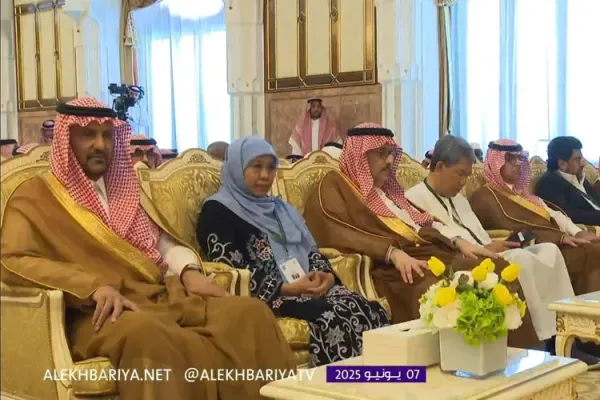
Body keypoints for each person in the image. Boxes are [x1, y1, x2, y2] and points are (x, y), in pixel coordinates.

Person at [1, 98, 296, 400]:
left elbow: (161, 242)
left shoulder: (123, 186)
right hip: (97, 312)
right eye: (88, 134)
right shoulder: (35, 197)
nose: (100, 144)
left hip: (159, 296)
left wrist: (189, 271)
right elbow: (12, 260)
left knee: (250, 314)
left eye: (107, 135)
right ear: (66, 139)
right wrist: (90, 287)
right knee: (151, 337)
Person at [302, 123, 539, 348]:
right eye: (381, 153)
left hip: (429, 252)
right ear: (360, 155)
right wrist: (391, 253)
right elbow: (335, 230)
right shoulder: (335, 184)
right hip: (391, 268)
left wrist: (457, 242)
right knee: (444, 286)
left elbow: (421, 223)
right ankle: (458, 365)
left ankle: (515, 358)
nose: (389, 161)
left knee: (497, 268)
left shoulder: (388, 190)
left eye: (390, 153)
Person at [196, 137, 390, 367]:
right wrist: (286, 288)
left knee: (367, 308)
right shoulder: (217, 212)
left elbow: (310, 250)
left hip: (307, 287)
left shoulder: (279, 209)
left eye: (271, 167)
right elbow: (230, 270)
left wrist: (325, 277)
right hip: (269, 297)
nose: (265, 175)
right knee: (333, 316)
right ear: (237, 168)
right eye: (256, 166)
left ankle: (382, 381)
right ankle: (336, 384)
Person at [406, 135, 576, 352]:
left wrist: (497, 242)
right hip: (465, 258)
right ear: (439, 167)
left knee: (549, 250)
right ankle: (543, 341)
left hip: (488, 251)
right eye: (460, 174)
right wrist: (483, 247)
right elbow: (435, 236)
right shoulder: (414, 198)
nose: (463, 182)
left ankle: (565, 332)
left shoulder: (458, 198)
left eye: (467, 176)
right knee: (521, 260)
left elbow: (479, 234)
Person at [470, 139, 600, 296]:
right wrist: (558, 238)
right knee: (593, 251)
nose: (518, 163)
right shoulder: (484, 198)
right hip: (535, 249)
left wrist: (577, 232)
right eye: (510, 159)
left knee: (594, 245)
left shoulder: (524, 193)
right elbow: (510, 232)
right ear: (495, 163)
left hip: (556, 241)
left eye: (519, 158)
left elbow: (555, 214)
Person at [534, 136, 600, 226]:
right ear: (562, 164)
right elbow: (571, 216)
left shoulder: (577, 176)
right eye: (577, 159)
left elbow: (596, 202)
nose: (583, 163)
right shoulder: (548, 184)